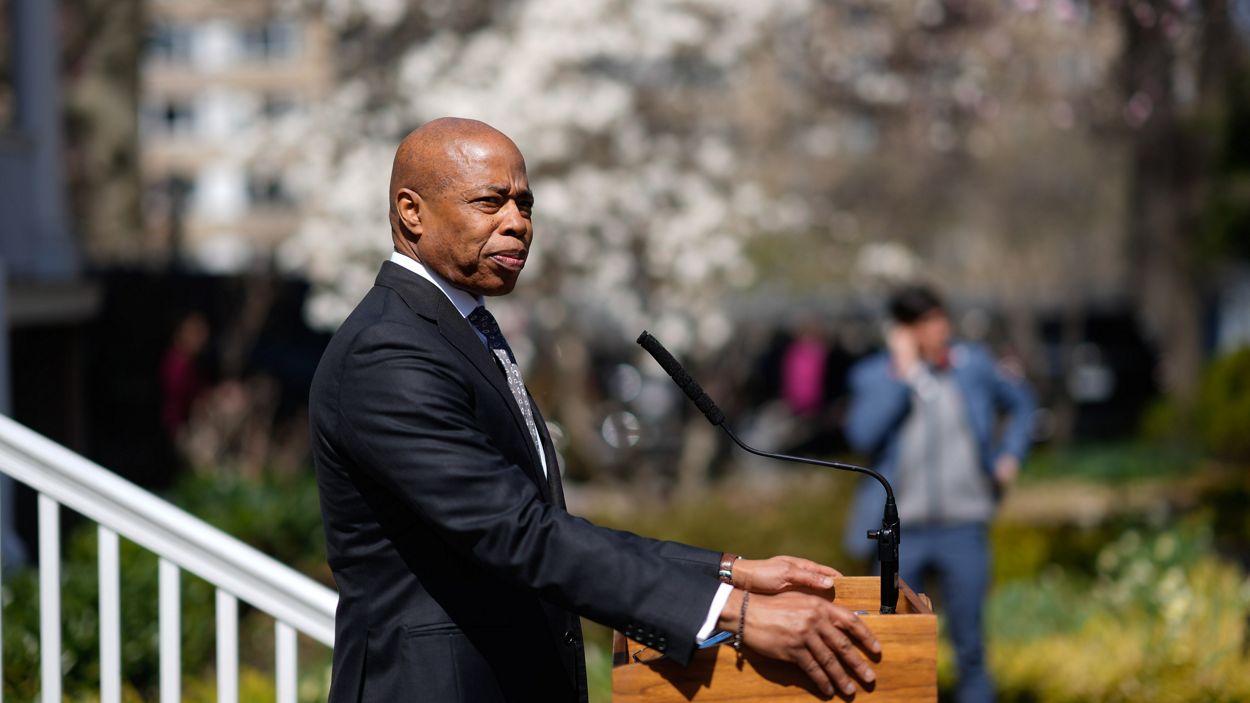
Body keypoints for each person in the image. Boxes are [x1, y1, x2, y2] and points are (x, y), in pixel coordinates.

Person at [309, 117, 880, 703]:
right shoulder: (388, 352)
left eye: (525, 204)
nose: (517, 223)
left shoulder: (458, 328)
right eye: (489, 202)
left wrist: (726, 571)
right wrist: (732, 611)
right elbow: (514, 531)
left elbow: (536, 522)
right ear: (411, 211)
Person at [842, 285, 1035, 703]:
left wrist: (1010, 455)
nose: (938, 330)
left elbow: (1023, 403)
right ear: (902, 330)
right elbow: (861, 435)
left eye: (940, 319)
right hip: (900, 534)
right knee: (887, 646)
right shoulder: (876, 375)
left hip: (963, 524)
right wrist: (904, 375)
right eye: (924, 323)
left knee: (970, 645)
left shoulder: (971, 365)